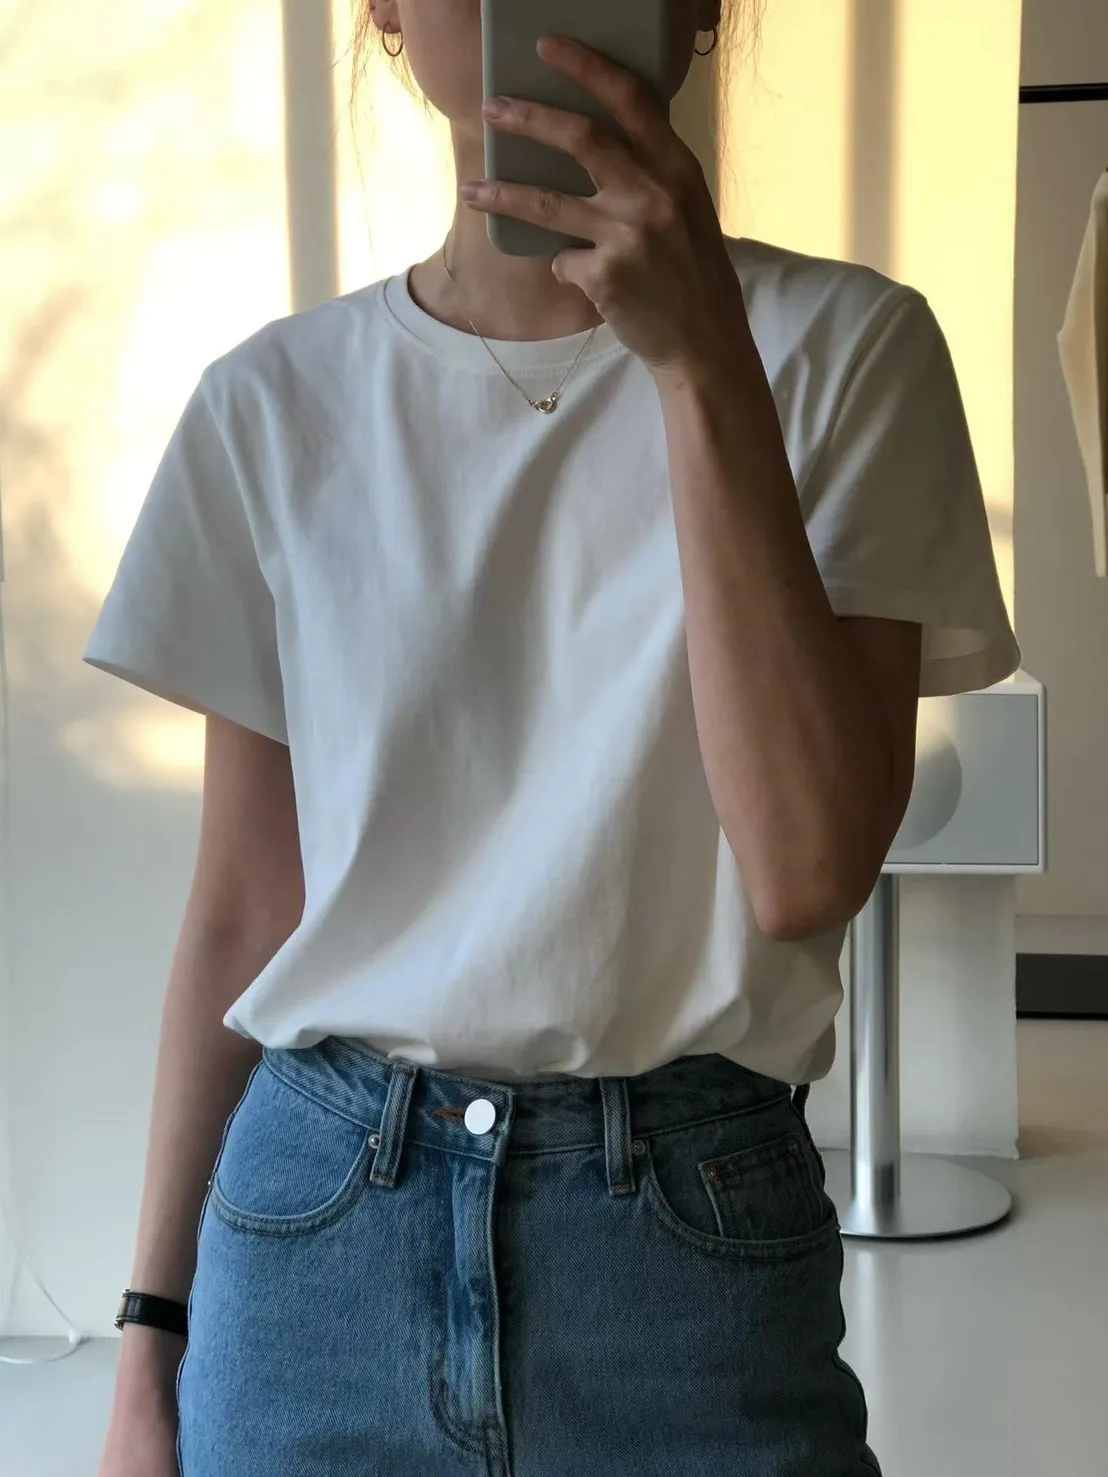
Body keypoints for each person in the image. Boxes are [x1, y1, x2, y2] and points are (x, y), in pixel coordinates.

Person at [89, 1, 1019, 1473]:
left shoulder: (846, 351)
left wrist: (700, 366)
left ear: (701, 9)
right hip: (317, 1233)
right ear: (383, 11)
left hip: (685, 1245)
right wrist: (150, 1339)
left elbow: (804, 868)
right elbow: (243, 909)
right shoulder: (272, 403)